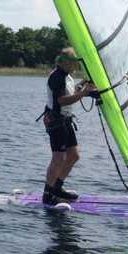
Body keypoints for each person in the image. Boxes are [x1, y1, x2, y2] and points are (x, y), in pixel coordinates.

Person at [42, 47, 97, 205]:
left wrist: (84, 84)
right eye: (73, 63)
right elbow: (62, 100)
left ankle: (57, 188)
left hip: (66, 120)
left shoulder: (68, 76)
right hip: (56, 121)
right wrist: (84, 93)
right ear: (65, 63)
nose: (76, 66)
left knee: (73, 155)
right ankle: (48, 195)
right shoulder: (56, 77)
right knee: (58, 158)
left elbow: (71, 92)